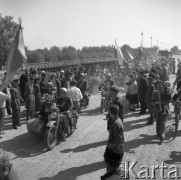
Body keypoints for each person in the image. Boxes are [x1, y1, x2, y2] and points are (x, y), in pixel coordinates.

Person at [102, 104, 124, 179]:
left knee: (112, 171)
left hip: (115, 151)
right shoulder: (118, 120)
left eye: (109, 111)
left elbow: (118, 140)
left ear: (111, 112)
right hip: (116, 149)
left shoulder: (116, 124)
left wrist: (111, 146)